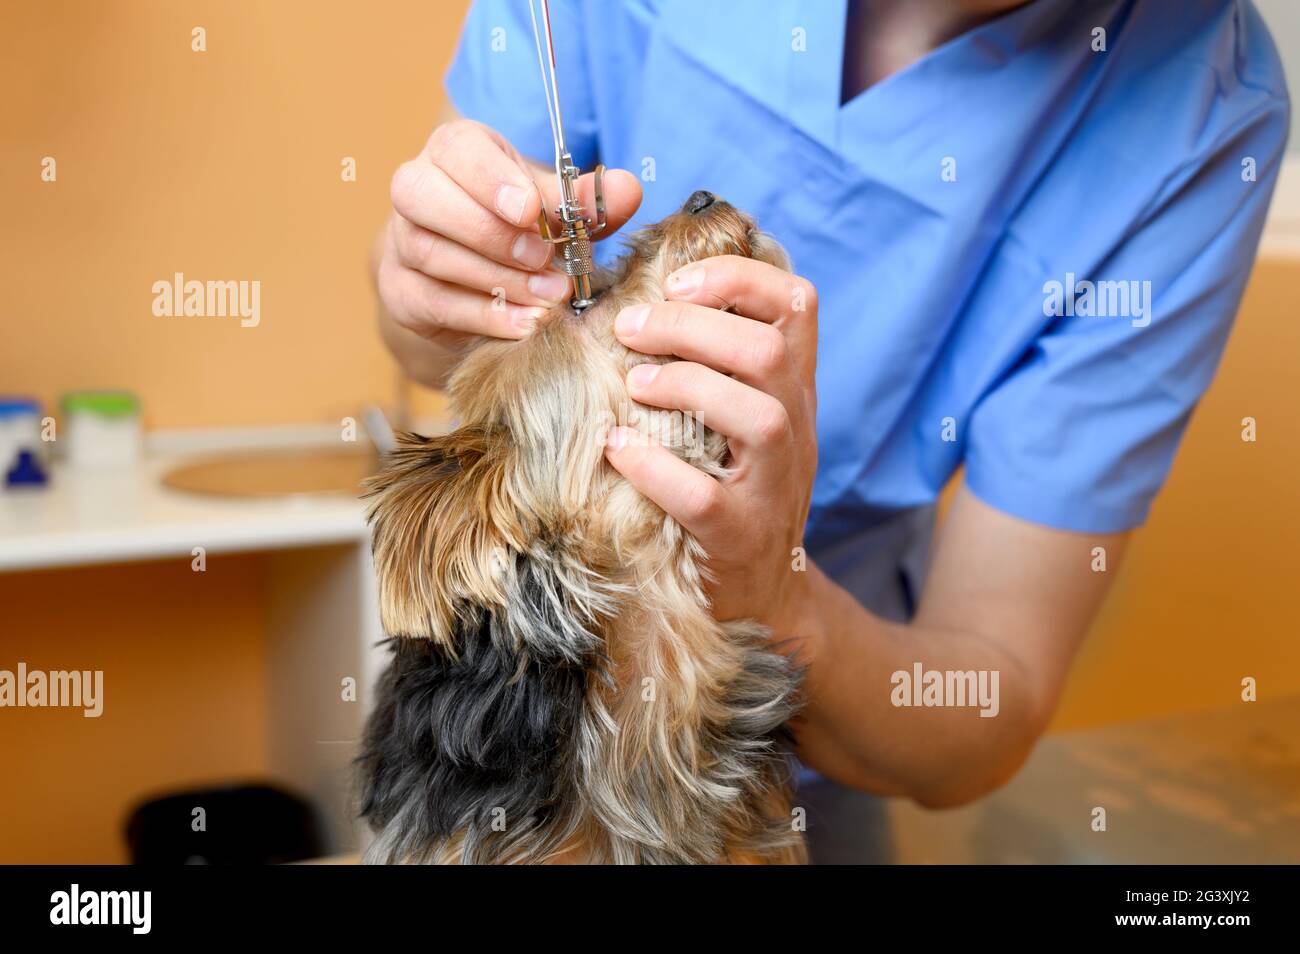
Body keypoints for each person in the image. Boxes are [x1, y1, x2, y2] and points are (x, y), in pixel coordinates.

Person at [371, 0, 1290, 861]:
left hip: (817, 753)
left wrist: (778, 602)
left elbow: (983, 707)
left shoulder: (1201, 106)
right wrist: (424, 290)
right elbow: (436, 349)